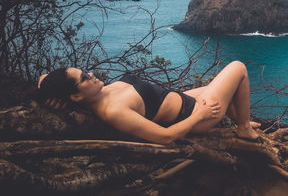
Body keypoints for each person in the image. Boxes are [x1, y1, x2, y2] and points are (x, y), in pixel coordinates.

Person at [38, 61, 260, 145]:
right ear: (75, 96)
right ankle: (243, 128)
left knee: (227, 87)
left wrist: (43, 90)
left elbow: (44, 80)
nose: (91, 74)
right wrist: (199, 116)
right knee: (238, 67)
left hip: (185, 100)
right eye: (85, 78)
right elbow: (165, 137)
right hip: (194, 115)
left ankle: (241, 119)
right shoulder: (113, 111)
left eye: (86, 71)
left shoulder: (98, 94)